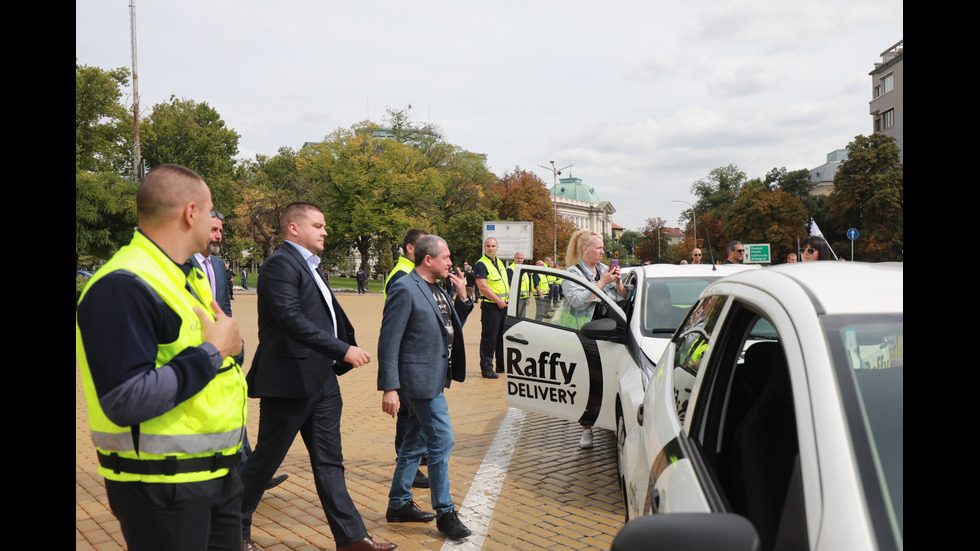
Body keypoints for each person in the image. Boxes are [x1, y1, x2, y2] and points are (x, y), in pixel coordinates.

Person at [76, 163, 247, 550]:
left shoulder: (186, 275)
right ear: (190, 212)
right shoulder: (123, 285)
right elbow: (125, 398)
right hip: (162, 489)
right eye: (209, 211)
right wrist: (214, 350)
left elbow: (217, 352)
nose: (214, 223)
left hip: (215, 475)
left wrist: (231, 347)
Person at [239, 202, 395, 551]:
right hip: (288, 381)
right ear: (293, 228)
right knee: (266, 460)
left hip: (322, 381)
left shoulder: (312, 268)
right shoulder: (280, 264)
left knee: (329, 462)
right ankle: (231, 529)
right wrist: (342, 349)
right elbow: (290, 319)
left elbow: (323, 316)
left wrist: (338, 350)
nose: (325, 231)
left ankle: (352, 538)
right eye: (319, 225)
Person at [378, 235, 474, 539]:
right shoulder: (404, 287)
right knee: (442, 440)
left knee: (413, 444)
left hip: (435, 377)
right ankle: (445, 512)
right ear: (428, 259)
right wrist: (389, 387)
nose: (450, 262)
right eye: (445, 257)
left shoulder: (437, 288)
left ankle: (398, 504)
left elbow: (448, 326)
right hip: (418, 382)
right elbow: (389, 340)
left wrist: (462, 297)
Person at [190, 212, 288, 490]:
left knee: (233, 410)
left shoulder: (219, 266)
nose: (218, 236)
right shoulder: (180, 264)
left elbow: (224, 305)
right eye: (213, 230)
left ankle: (248, 472)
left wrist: (235, 339)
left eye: (220, 230)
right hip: (195, 354)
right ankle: (239, 473)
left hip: (223, 354)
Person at [554, 230, 626, 449]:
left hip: (611, 333)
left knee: (609, 379)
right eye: (599, 248)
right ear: (585, 249)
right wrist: (601, 283)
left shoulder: (604, 269)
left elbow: (622, 296)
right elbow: (577, 302)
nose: (602, 252)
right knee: (588, 381)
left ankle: (607, 419)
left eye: (603, 248)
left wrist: (619, 282)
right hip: (585, 334)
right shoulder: (572, 273)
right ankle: (586, 429)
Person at [383, 228, 432, 491]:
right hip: (406, 354)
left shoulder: (410, 272)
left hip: (414, 352)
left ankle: (416, 453)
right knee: (407, 412)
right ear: (411, 248)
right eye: (425, 244)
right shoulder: (402, 276)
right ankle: (406, 462)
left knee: (414, 411)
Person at [474, 237, 509, 379]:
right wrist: (498, 301)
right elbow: (482, 286)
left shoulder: (499, 262)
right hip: (491, 306)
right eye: (488, 246)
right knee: (489, 338)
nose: (491, 248)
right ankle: (487, 368)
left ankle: (501, 365)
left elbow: (505, 283)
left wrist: (508, 300)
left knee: (501, 338)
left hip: (503, 305)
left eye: (493, 246)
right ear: (484, 247)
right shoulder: (481, 264)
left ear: (497, 247)